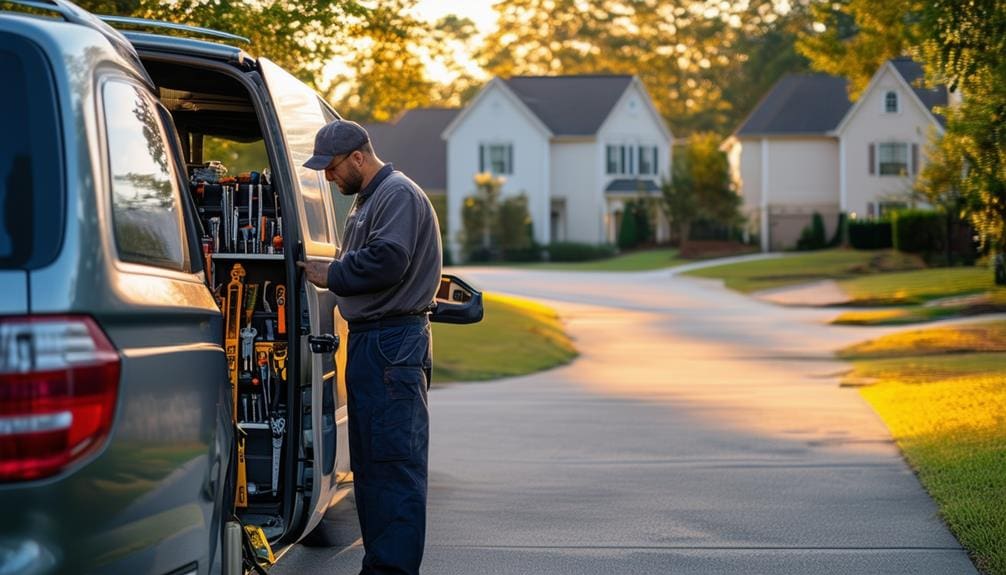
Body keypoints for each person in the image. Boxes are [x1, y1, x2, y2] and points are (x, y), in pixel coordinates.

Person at [297, 119, 442, 575]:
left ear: (358, 157)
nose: (329, 177)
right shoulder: (368, 199)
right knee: (372, 469)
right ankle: (380, 567)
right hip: (373, 344)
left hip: (391, 344)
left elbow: (389, 260)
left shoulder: (396, 193)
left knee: (392, 467)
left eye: (333, 167)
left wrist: (332, 274)